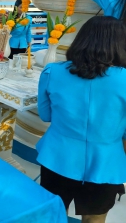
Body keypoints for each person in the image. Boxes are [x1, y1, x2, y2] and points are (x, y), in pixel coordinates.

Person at [37, 16, 126, 223]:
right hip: (106, 161)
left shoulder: (52, 72)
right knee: (94, 220)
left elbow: (45, 115)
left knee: (52, 215)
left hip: (57, 156)